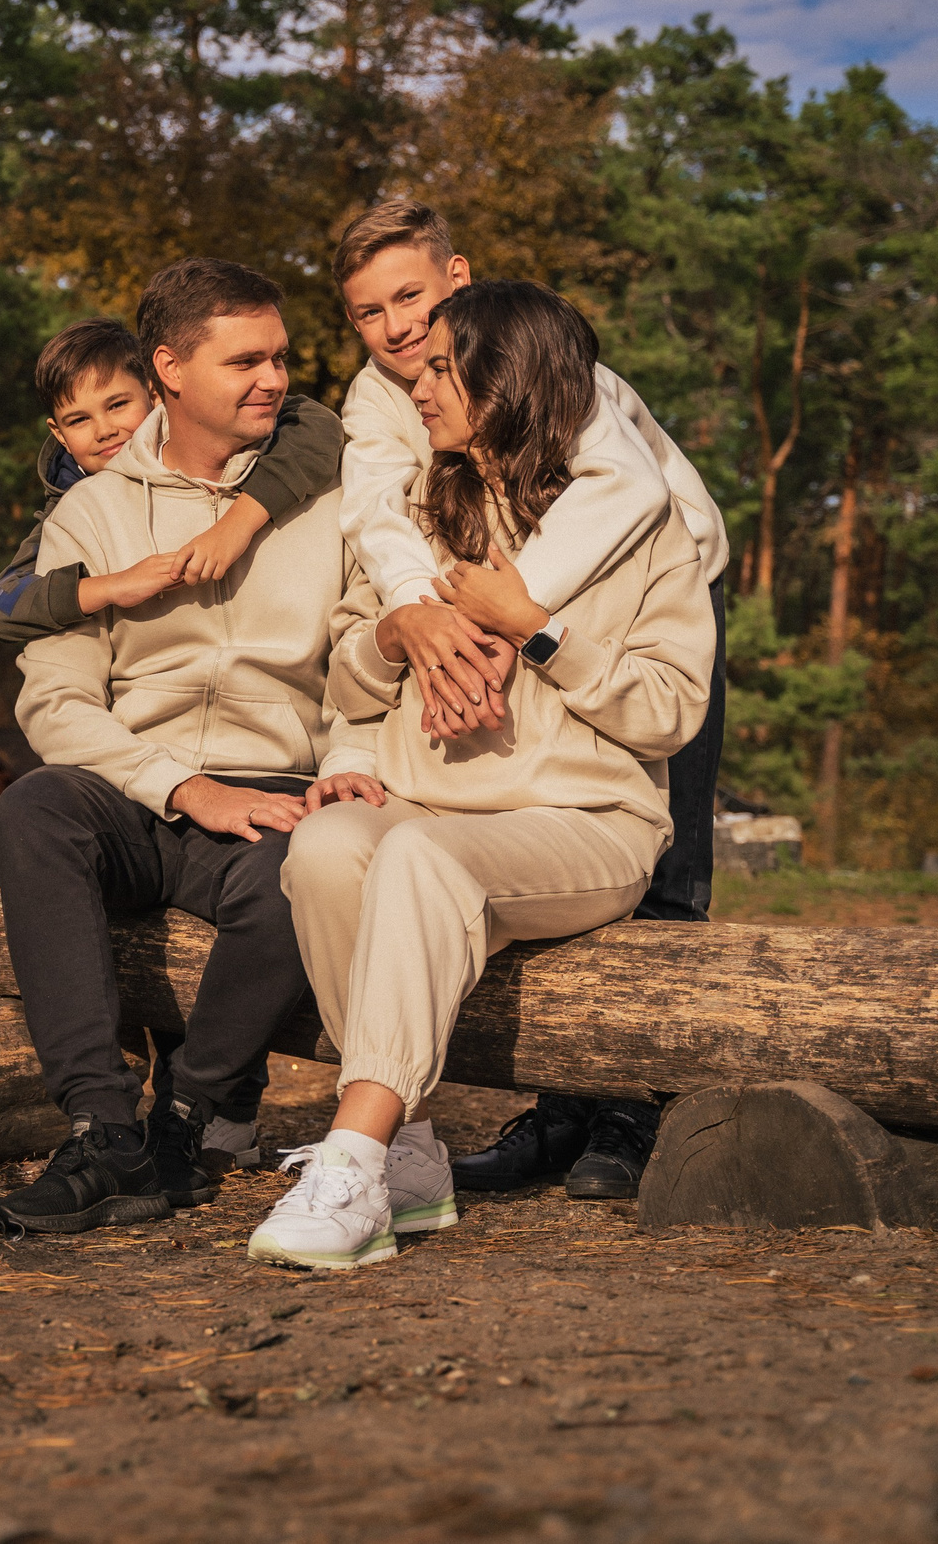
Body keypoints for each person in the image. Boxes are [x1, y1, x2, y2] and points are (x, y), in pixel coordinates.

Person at [248, 280, 715, 1270]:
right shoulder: (420, 511)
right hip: (427, 802)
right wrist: (392, 634)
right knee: (326, 848)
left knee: (419, 856)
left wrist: (536, 632)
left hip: (587, 821)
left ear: (508, 380)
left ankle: (350, 1155)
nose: (416, 380)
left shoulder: (644, 530)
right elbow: (346, 668)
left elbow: (672, 713)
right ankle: (410, 1160)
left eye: (443, 366)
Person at [333, 199, 730, 1199]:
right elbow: (377, 518)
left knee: (662, 876)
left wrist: (519, 616)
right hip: (502, 604)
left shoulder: (551, 366)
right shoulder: (384, 399)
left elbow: (629, 493)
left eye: (411, 297)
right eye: (368, 312)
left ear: (457, 279)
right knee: (519, 858)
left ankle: (631, 1115)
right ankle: (558, 1113)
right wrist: (426, 616)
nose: (395, 329)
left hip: (641, 597)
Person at [0, 258, 387, 1235]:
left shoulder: (326, 499)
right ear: (170, 369)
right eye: (245, 360)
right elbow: (57, 701)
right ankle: (100, 1128)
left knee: (310, 866)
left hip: (275, 786)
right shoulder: (92, 512)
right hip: (132, 786)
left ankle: (185, 1119)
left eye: (281, 357)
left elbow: (363, 662)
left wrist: (347, 765)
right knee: (32, 810)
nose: (274, 378)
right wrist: (178, 786)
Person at [0, 318, 344, 646]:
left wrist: (236, 526)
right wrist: (112, 586)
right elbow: (1, 607)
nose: (105, 430)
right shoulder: (67, 503)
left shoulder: (211, 445)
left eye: (117, 405)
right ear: (59, 434)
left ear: (154, 393)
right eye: (78, 420)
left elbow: (316, 423)